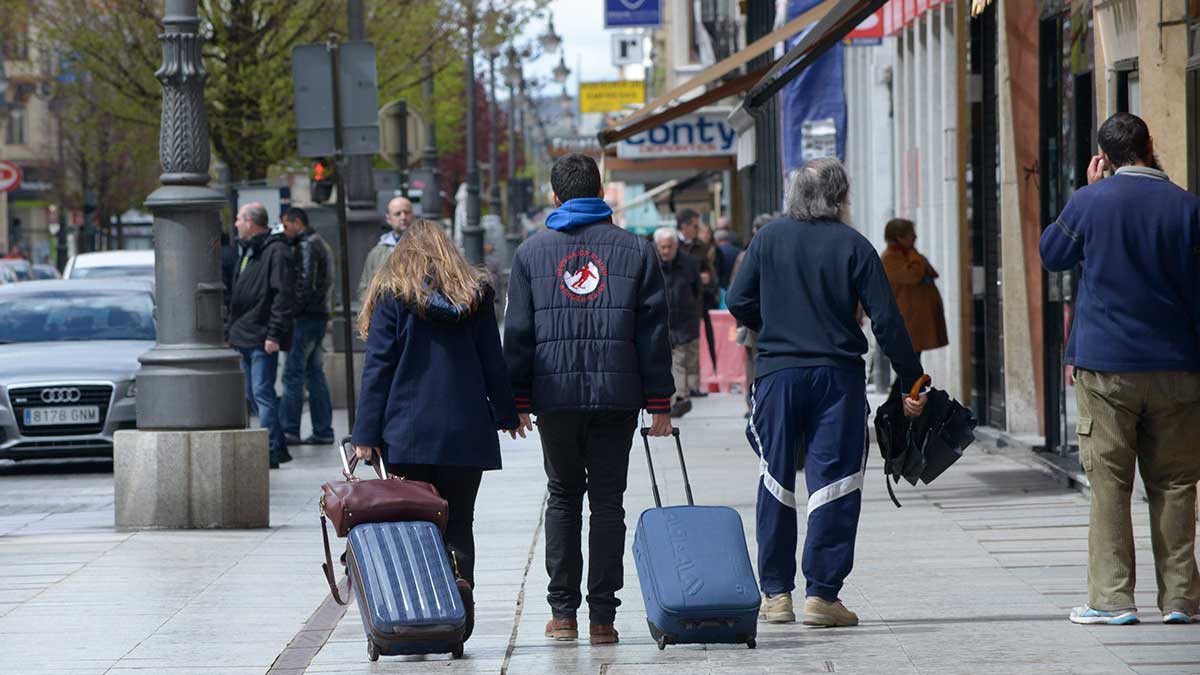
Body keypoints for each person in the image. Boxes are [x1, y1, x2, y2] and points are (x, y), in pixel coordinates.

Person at [728, 158, 926, 627]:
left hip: (777, 374)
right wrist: (911, 378)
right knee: (836, 478)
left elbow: (737, 299)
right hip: (837, 376)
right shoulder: (854, 245)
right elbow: (887, 320)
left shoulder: (769, 238)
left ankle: (775, 595)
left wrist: (772, 326)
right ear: (840, 199)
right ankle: (822, 595)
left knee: (775, 476)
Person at [504, 153, 674, 646]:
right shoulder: (636, 250)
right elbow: (653, 333)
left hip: (554, 398)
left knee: (562, 496)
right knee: (607, 501)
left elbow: (517, 333)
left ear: (555, 197)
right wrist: (659, 401)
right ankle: (603, 618)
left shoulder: (532, 253)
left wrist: (516, 400)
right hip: (617, 397)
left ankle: (563, 615)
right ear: (600, 193)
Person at [1040, 112, 1200, 626]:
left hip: (1105, 367)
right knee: (1176, 482)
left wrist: (1085, 193)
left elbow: (1052, 254)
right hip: (1177, 365)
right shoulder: (1187, 207)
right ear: (1150, 145)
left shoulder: (1091, 201)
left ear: (1103, 158)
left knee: (1109, 481)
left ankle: (1111, 600)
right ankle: (1181, 599)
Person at [352, 219, 521, 592]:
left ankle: (425, 606)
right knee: (459, 520)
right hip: (465, 431)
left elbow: (378, 368)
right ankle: (461, 589)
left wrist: (365, 434)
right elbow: (493, 360)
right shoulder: (474, 297)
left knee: (414, 520)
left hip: (407, 434)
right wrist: (508, 414)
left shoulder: (392, 296)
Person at [228, 202, 295, 468]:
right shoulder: (251, 250)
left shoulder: (275, 251)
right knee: (255, 395)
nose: (235, 224)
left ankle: (271, 448)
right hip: (244, 333)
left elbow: (282, 295)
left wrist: (274, 334)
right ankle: (275, 447)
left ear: (251, 222)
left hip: (260, 336)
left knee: (262, 393)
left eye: (239, 219)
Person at [280, 207, 335, 446]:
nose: (285, 231)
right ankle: (323, 429)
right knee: (314, 374)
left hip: (305, 318)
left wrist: (292, 312)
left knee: (293, 373)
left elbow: (305, 283)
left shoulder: (306, 245)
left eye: (286, 225)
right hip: (318, 316)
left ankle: (290, 429)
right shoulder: (319, 243)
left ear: (297, 223)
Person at [880, 217, 948, 391]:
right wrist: (916, 257)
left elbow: (930, 271)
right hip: (908, 323)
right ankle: (896, 410)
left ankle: (900, 409)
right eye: (911, 234)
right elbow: (914, 275)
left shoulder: (907, 254)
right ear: (899, 237)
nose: (915, 237)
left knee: (912, 368)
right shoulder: (890, 258)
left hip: (917, 322)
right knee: (909, 371)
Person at [653, 227, 702, 418]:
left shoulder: (689, 263)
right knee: (666, 362)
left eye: (669, 247)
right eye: (662, 247)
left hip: (683, 321)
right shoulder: (652, 263)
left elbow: (696, 290)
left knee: (680, 359)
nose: (666, 251)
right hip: (660, 321)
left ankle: (679, 398)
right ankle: (674, 398)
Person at [731, 214, 772, 417]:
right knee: (755, 360)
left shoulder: (747, 255)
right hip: (757, 319)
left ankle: (755, 402)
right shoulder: (747, 256)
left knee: (754, 361)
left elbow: (735, 294)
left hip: (754, 318)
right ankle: (755, 402)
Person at [675, 209, 717, 396]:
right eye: (694, 225)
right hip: (674, 305)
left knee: (693, 347)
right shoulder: (670, 245)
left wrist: (707, 281)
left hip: (696, 304)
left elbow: (711, 275)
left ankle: (693, 386)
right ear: (684, 226)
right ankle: (679, 388)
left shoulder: (702, 247)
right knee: (677, 349)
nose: (696, 229)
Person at [356, 195, 414, 303]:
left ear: (413, 215)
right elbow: (364, 288)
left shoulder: (425, 247)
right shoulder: (377, 253)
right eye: (398, 214)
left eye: (407, 212)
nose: (403, 217)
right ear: (389, 219)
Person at [714, 227, 742, 292]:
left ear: (717, 240)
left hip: (720, 286)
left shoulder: (716, 252)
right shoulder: (738, 251)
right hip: (735, 286)